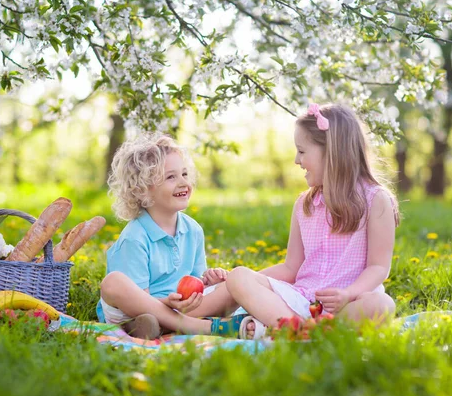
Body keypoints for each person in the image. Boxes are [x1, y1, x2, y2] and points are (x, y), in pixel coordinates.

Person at [226, 103, 400, 339]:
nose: (297, 160)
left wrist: (348, 294)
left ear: (331, 152)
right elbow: (291, 267)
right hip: (299, 301)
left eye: (302, 151)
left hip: (347, 304)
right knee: (239, 276)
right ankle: (299, 329)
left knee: (382, 305)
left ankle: (297, 329)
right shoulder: (304, 204)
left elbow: (378, 267)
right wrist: (253, 279)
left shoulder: (376, 200)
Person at [98, 133, 241, 339]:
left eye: (184, 174)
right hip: (136, 309)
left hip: (180, 307)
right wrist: (167, 303)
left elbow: (195, 284)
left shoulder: (193, 230)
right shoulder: (135, 237)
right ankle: (197, 327)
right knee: (113, 282)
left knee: (236, 282)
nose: (183, 182)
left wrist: (209, 281)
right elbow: (139, 299)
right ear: (143, 190)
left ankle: (161, 326)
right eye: (171, 177)